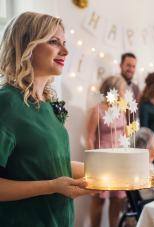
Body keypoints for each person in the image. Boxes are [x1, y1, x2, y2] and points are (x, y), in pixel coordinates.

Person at [0, 12, 91, 226]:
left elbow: (46, 162)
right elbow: (52, 180)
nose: (65, 51)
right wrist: (52, 186)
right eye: (53, 42)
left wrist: (111, 171)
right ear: (26, 46)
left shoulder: (48, 104)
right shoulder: (7, 103)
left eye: (64, 43)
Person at [86, 76, 127, 227]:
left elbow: (124, 133)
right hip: (102, 160)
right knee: (99, 199)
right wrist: (92, 163)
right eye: (122, 89)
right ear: (114, 90)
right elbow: (90, 137)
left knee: (117, 199)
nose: (124, 92)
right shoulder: (97, 110)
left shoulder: (121, 109)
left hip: (119, 160)